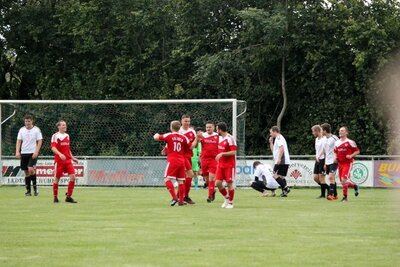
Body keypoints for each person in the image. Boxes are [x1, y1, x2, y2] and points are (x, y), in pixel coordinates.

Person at [154, 121, 191, 206]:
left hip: (173, 161)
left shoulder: (169, 135)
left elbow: (156, 137)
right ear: (179, 128)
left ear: (171, 127)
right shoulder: (184, 137)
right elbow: (189, 146)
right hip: (182, 161)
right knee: (181, 181)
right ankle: (181, 201)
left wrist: (156, 134)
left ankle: (174, 198)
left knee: (167, 179)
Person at [51, 120, 79, 203]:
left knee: (73, 177)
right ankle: (55, 197)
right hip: (59, 161)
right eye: (63, 125)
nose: (65, 126)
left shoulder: (67, 135)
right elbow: (53, 148)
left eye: (65, 125)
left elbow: (68, 148)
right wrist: (59, 154)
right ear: (58, 127)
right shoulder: (55, 136)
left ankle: (68, 197)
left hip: (68, 161)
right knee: (57, 179)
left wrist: (72, 157)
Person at [15, 114, 43, 196]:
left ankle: (35, 189)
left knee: (31, 169)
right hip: (24, 153)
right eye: (26, 121)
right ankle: (28, 191)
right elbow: (19, 141)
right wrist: (17, 151)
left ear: (32, 121)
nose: (27, 123)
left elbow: (40, 141)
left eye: (29, 121)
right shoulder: (21, 130)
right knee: (26, 172)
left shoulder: (36, 130)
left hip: (32, 153)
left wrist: (36, 152)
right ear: (24, 121)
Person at [334, 126, 360, 202]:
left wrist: (351, 156)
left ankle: (345, 198)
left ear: (346, 133)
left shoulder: (350, 142)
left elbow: (357, 151)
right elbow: (335, 151)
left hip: (348, 163)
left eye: (342, 131)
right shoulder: (337, 142)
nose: (340, 132)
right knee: (343, 182)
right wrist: (335, 157)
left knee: (343, 180)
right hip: (340, 163)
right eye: (339, 131)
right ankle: (355, 186)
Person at [196, 121, 219, 203]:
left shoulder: (217, 136)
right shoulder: (203, 135)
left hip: (214, 160)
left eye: (210, 127)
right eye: (207, 127)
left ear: (213, 127)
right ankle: (213, 191)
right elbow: (196, 143)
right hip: (204, 159)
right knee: (207, 180)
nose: (208, 129)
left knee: (212, 178)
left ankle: (209, 196)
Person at [215, 122, 237, 209]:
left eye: (217, 129)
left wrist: (222, 154)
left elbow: (234, 152)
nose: (217, 131)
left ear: (220, 130)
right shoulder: (219, 138)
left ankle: (231, 203)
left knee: (229, 184)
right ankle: (226, 198)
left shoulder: (230, 138)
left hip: (229, 165)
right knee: (218, 183)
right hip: (220, 165)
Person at [179, 115, 196, 204]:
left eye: (188, 121)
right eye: (186, 121)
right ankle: (184, 196)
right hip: (181, 156)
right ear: (181, 121)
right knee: (188, 175)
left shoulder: (192, 132)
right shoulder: (179, 131)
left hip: (189, 156)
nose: (187, 123)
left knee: (185, 177)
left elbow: (194, 145)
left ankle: (180, 196)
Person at [269, 126, 291, 197]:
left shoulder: (279, 138)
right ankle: (284, 191)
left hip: (282, 160)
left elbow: (281, 148)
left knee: (274, 175)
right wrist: (271, 143)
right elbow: (274, 151)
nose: (270, 134)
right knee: (281, 177)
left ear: (275, 131)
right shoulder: (277, 139)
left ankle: (285, 188)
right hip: (283, 160)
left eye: (271, 132)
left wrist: (279, 158)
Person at [321, 123, 339, 200]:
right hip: (328, 161)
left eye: (322, 130)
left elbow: (339, 147)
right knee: (331, 178)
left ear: (325, 130)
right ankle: (335, 195)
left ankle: (330, 195)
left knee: (331, 177)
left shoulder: (334, 138)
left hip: (334, 161)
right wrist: (325, 163)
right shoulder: (324, 139)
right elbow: (326, 151)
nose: (321, 131)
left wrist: (337, 158)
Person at [311, 125, 329, 198]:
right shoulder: (316, 139)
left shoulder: (324, 139)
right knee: (315, 177)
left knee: (322, 178)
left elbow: (325, 149)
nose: (313, 133)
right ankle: (328, 188)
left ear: (317, 131)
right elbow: (317, 150)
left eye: (313, 131)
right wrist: (316, 156)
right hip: (318, 160)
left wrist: (321, 157)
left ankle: (323, 195)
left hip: (323, 159)